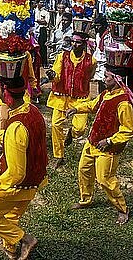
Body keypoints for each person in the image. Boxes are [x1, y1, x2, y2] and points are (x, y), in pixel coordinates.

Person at [0, 74, 47, 260]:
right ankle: (11, 250)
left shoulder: (16, 126)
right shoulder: (32, 110)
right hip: (35, 180)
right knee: (12, 216)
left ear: (5, 95)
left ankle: (24, 239)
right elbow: (16, 137)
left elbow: (15, 173)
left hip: (18, 185)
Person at [66, 68, 133, 225]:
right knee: (84, 171)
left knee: (105, 179)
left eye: (107, 77)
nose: (103, 79)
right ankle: (86, 200)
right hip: (92, 142)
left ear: (117, 79)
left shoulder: (123, 102)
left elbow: (130, 129)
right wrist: (77, 108)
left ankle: (122, 209)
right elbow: (93, 105)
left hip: (108, 149)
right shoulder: (106, 94)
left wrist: (110, 141)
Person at [46, 33, 96, 169]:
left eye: (78, 42)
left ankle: (71, 134)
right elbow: (56, 75)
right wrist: (52, 76)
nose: (75, 44)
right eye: (73, 41)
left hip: (80, 98)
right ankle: (59, 156)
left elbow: (89, 76)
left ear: (84, 44)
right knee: (56, 125)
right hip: (62, 97)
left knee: (79, 129)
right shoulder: (62, 56)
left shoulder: (91, 61)